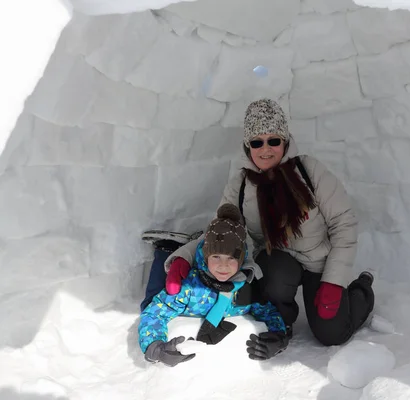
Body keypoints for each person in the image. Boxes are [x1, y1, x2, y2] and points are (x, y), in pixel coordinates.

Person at [166, 99, 375, 347]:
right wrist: (183, 257)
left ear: (284, 141)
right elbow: (220, 234)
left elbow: (344, 224)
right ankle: (280, 323)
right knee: (273, 276)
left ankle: (362, 289)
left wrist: (333, 282)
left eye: (273, 140)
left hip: (318, 262)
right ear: (247, 147)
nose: (266, 149)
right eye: (257, 142)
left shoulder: (309, 171)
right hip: (277, 261)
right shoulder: (241, 185)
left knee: (332, 334)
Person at [138, 204, 288, 367]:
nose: (223, 266)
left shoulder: (247, 289)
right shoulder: (189, 289)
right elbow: (154, 314)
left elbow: (268, 311)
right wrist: (156, 349)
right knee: (152, 297)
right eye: (216, 256)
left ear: (241, 260)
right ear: (205, 256)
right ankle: (166, 249)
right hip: (184, 277)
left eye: (231, 258)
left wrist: (279, 338)